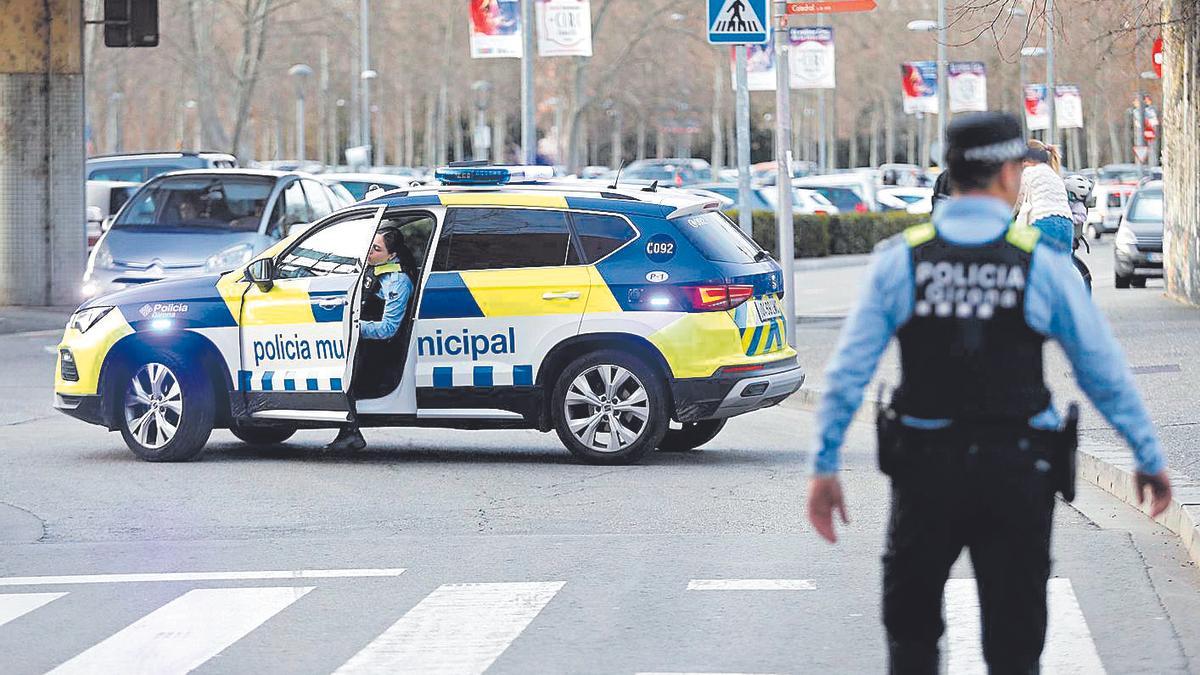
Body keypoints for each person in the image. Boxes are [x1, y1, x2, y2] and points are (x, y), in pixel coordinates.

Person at [805, 111, 1172, 674]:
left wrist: (824, 467)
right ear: (1010, 174)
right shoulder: (1040, 264)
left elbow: (847, 374)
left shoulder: (902, 259)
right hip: (1018, 474)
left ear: (948, 173)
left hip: (925, 475)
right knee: (1015, 644)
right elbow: (1102, 369)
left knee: (912, 635)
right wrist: (1146, 455)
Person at [325, 228, 415, 451]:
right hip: (364, 342)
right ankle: (348, 430)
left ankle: (350, 431)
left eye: (376, 249)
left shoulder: (397, 281)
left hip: (381, 349)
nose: (369, 253)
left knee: (345, 373)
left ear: (392, 255)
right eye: (369, 246)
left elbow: (388, 329)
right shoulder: (374, 269)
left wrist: (351, 328)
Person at [1016, 139, 1074, 252]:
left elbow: (1018, 200)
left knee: (1035, 263)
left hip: (1043, 222)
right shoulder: (1054, 174)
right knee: (1062, 264)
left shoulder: (1029, 172)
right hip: (1067, 224)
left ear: (1028, 160)